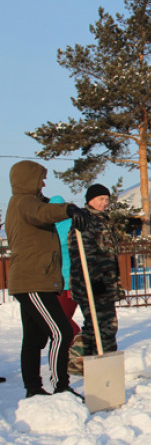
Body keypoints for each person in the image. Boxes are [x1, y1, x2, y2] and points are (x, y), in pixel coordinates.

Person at [6, 160, 88, 398]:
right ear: (28, 179)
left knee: (34, 337)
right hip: (33, 281)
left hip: (35, 280)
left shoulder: (26, 203)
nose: (43, 183)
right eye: (40, 178)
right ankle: (60, 385)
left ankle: (33, 389)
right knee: (61, 331)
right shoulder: (24, 202)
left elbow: (42, 210)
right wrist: (68, 209)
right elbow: (42, 213)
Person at [68, 184, 124, 372]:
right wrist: (95, 279)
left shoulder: (103, 220)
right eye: (101, 199)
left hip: (104, 283)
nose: (104, 203)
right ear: (90, 200)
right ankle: (100, 367)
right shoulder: (85, 220)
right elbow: (83, 254)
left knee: (97, 326)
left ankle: (84, 363)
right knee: (104, 326)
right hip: (92, 284)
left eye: (107, 200)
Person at [49, 195, 83, 375]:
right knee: (61, 320)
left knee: (60, 320)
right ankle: (73, 351)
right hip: (64, 281)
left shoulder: (58, 227)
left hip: (65, 282)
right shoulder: (69, 224)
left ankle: (76, 349)